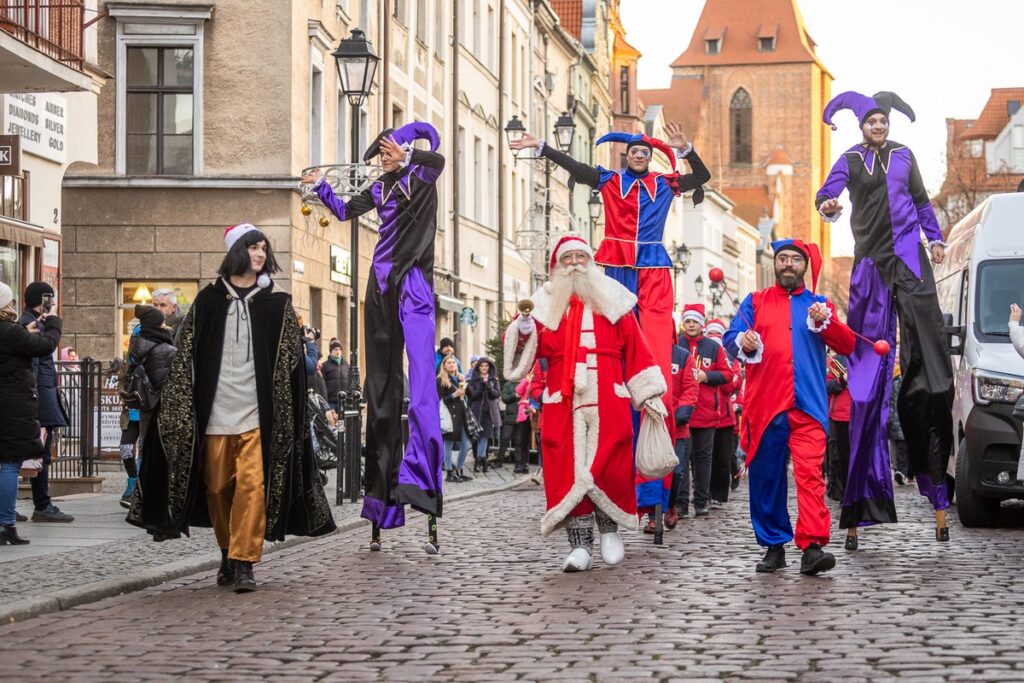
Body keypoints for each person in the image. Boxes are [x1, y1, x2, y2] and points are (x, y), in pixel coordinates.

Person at [127, 224, 336, 592]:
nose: (259, 254)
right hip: (215, 413)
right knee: (218, 488)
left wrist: (292, 413)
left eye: (263, 248)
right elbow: (185, 355)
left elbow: (291, 361)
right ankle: (227, 551)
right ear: (237, 251)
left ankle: (244, 563)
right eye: (252, 247)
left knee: (253, 486)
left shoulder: (277, 303)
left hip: (258, 414)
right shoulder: (208, 300)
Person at [510, 124, 710, 445]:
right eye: (634, 152)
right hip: (615, 265)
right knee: (612, 332)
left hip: (652, 267)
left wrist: (686, 150)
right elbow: (575, 167)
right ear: (626, 156)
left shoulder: (664, 183)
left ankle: (653, 410)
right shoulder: (610, 180)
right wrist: (543, 147)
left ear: (650, 157)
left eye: (645, 152)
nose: (640, 156)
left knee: (653, 339)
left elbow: (701, 178)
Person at [817, 90, 954, 542]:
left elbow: (920, 201)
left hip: (910, 261)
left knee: (929, 368)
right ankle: (863, 495)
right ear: (862, 126)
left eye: (883, 121)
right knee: (866, 377)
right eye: (872, 122)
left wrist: (933, 238)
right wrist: (828, 206)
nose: (879, 127)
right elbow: (828, 191)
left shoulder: (903, 155)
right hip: (871, 267)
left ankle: (935, 484)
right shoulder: (852, 159)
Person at [303, 122, 445, 540]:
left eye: (389, 150)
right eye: (381, 152)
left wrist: (408, 152)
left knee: (420, 386)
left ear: (404, 150)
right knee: (380, 388)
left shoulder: (423, 177)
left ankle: (423, 480)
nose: (384, 157)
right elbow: (347, 211)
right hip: (380, 284)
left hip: (414, 285)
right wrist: (320, 188)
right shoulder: (381, 188)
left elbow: (436, 155)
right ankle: (382, 500)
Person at [502, 235, 669, 572]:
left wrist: (649, 393)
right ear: (556, 266)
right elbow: (525, 358)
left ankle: (610, 531)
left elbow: (636, 348)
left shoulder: (615, 299)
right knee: (566, 465)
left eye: (581, 256)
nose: (575, 263)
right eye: (568, 258)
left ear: (592, 262)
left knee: (612, 460)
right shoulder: (544, 304)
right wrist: (521, 330)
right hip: (563, 399)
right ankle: (580, 546)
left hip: (608, 392)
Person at [724, 239, 856, 575]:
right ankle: (773, 546)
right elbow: (730, 337)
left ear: (804, 266)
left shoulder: (820, 304)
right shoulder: (754, 301)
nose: (787, 265)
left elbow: (847, 344)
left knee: (811, 476)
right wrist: (744, 340)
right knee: (767, 478)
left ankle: (812, 546)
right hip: (766, 405)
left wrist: (827, 322)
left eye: (794, 260)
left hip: (808, 404)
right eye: (782, 259)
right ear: (775, 264)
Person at [0, 281, 63, 545]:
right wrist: (55, 324)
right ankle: (6, 523)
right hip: (11, 406)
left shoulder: (12, 332)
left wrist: (26, 331)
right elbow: (45, 345)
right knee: (10, 464)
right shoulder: (8, 331)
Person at [18, 282, 73, 524]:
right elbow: (37, 363)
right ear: (45, 299)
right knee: (38, 454)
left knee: (26, 455)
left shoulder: (30, 323)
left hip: (39, 396)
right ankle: (42, 503)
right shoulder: (32, 326)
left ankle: (13, 506)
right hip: (38, 398)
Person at [118, 305, 177, 508]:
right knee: (161, 450)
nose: (165, 325)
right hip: (159, 405)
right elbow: (170, 383)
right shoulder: (167, 350)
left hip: (142, 404)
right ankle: (151, 496)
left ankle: (139, 491)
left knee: (143, 447)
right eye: (161, 321)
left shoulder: (136, 346)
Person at [678, 304, 733, 517]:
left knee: (702, 461)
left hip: (706, 413)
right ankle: (681, 504)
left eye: (695, 321)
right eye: (688, 321)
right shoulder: (676, 343)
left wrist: (707, 377)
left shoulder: (713, 347)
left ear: (702, 324)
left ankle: (701, 501)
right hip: (682, 414)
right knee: (681, 461)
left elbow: (727, 375)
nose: (691, 325)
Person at [705, 318, 741, 506]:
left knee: (723, 458)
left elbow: (732, 385)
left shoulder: (731, 360)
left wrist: (720, 373)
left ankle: (719, 494)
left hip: (725, 417)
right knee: (705, 458)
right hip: (705, 414)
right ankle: (705, 493)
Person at [437, 355, 473, 483]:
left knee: (466, 444)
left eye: (454, 362)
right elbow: (441, 399)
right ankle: (449, 473)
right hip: (450, 415)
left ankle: (458, 469)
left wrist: (465, 385)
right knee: (448, 444)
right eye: (449, 363)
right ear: (444, 365)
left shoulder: (459, 378)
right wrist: (454, 394)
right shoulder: (441, 380)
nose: (452, 365)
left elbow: (471, 394)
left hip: (462, 414)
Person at [467, 357, 501, 472]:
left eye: (486, 366)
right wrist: (481, 387)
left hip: (490, 413)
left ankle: (479, 460)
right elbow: (473, 396)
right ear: (478, 367)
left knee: (486, 436)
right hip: (477, 412)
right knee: (479, 437)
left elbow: (497, 394)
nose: (484, 368)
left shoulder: (494, 379)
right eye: (482, 366)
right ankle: (482, 461)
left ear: (489, 367)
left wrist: (490, 388)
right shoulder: (473, 380)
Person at [825, 353, 851, 504]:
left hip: (860, 414)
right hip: (840, 415)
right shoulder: (837, 360)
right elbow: (827, 386)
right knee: (840, 458)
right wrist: (842, 380)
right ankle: (843, 494)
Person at [887, 363, 910, 487]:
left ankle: (901, 471)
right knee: (899, 447)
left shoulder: (895, 380)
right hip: (895, 418)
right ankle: (900, 471)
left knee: (899, 447)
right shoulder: (895, 380)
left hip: (895, 418)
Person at [322, 339, 350, 411]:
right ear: (331, 351)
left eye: (340, 349)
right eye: (335, 349)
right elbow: (322, 384)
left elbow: (350, 381)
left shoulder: (346, 365)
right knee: (332, 422)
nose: (338, 352)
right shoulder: (325, 365)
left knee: (343, 422)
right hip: (331, 402)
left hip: (344, 401)